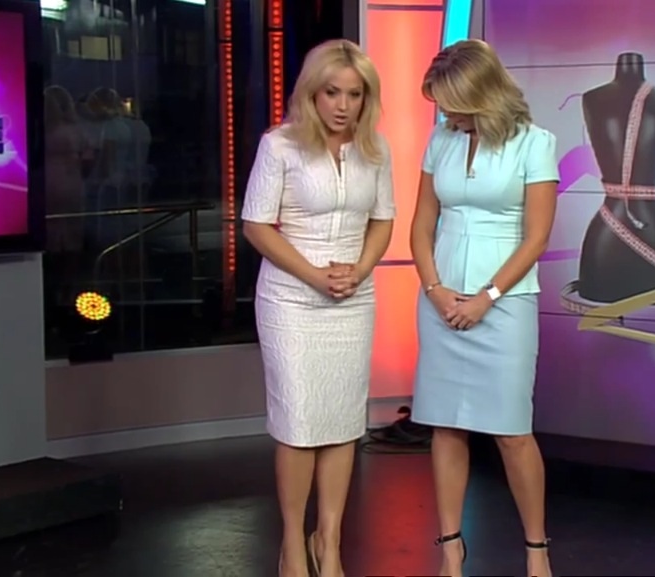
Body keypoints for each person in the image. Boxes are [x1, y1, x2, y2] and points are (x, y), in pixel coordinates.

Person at [240, 38, 394, 577]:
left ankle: (328, 543)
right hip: (291, 300)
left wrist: (362, 269)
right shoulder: (279, 145)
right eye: (332, 92)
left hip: (352, 300)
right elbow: (256, 225)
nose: (343, 105)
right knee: (300, 423)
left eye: (354, 94)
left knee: (343, 422)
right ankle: (291, 543)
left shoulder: (375, 148)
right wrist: (313, 275)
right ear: (312, 91)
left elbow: (383, 220)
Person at [409, 39, 559, 577]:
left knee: (512, 432)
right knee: (445, 425)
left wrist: (486, 298)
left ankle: (536, 552)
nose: (446, 114)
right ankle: (451, 550)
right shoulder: (441, 140)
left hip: (505, 305)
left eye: (454, 104)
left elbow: (537, 237)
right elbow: (422, 225)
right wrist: (434, 288)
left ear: (483, 94)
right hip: (442, 300)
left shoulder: (535, 143)